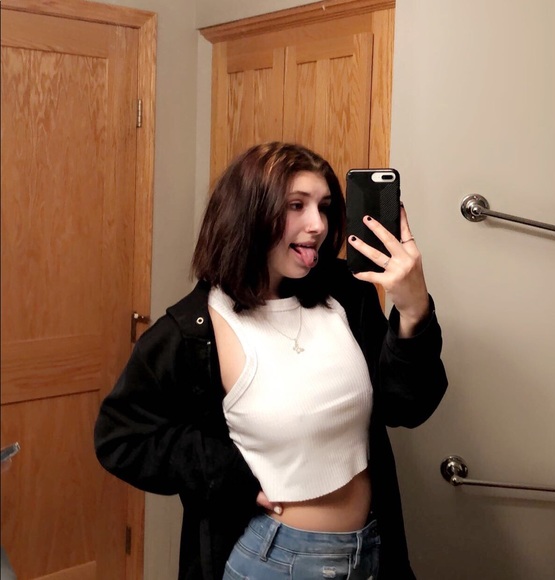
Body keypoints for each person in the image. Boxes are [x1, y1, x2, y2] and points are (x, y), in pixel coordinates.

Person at [94, 142, 448, 580]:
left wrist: (413, 310)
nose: (317, 225)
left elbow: (407, 407)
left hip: (373, 551)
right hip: (275, 561)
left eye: (324, 207)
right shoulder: (194, 329)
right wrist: (231, 477)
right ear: (248, 214)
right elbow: (120, 437)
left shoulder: (347, 295)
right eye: (296, 206)